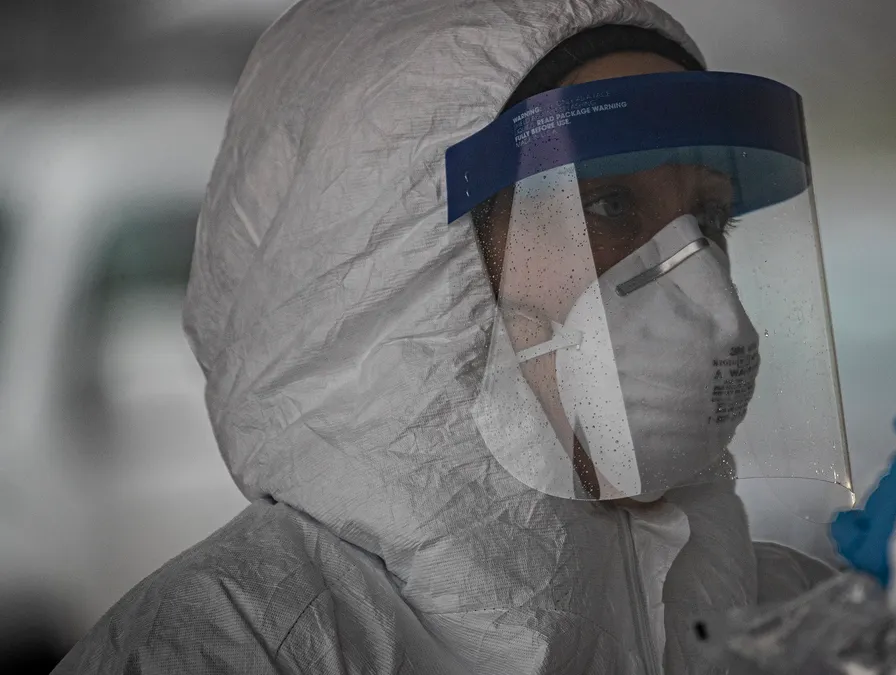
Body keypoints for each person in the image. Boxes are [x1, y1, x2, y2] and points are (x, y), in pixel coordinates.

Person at [52, 1, 849, 673]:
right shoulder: (234, 645)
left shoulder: (797, 620)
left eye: (708, 220)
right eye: (606, 207)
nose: (718, 310)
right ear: (409, 273)